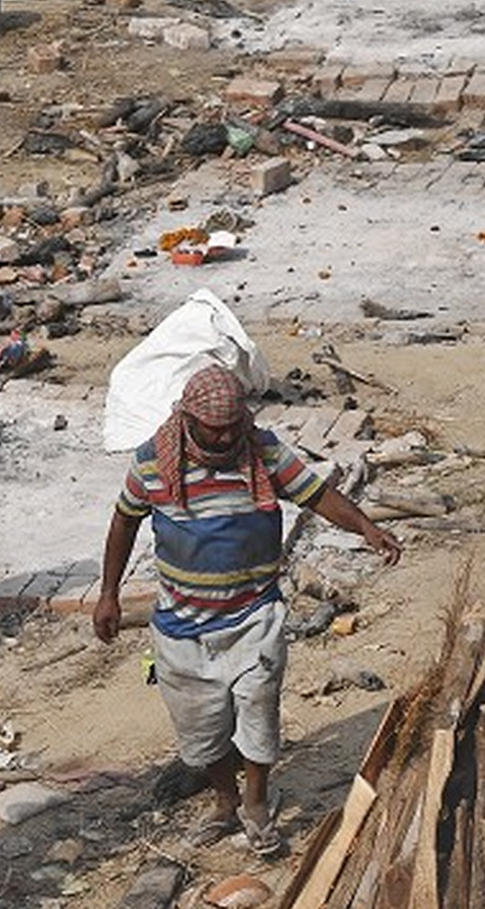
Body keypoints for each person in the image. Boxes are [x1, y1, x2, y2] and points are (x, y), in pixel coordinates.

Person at [92, 365, 401, 855]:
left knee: (257, 712)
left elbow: (316, 494)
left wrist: (364, 526)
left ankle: (257, 805)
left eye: (234, 425)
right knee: (202, 726)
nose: (225, 435)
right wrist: (108, 594)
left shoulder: (262, 451)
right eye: (214, 428)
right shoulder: (153, 461)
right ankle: (224, 801)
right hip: (181, 625)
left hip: (253, 616)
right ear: (188, 418)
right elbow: (124, 523)